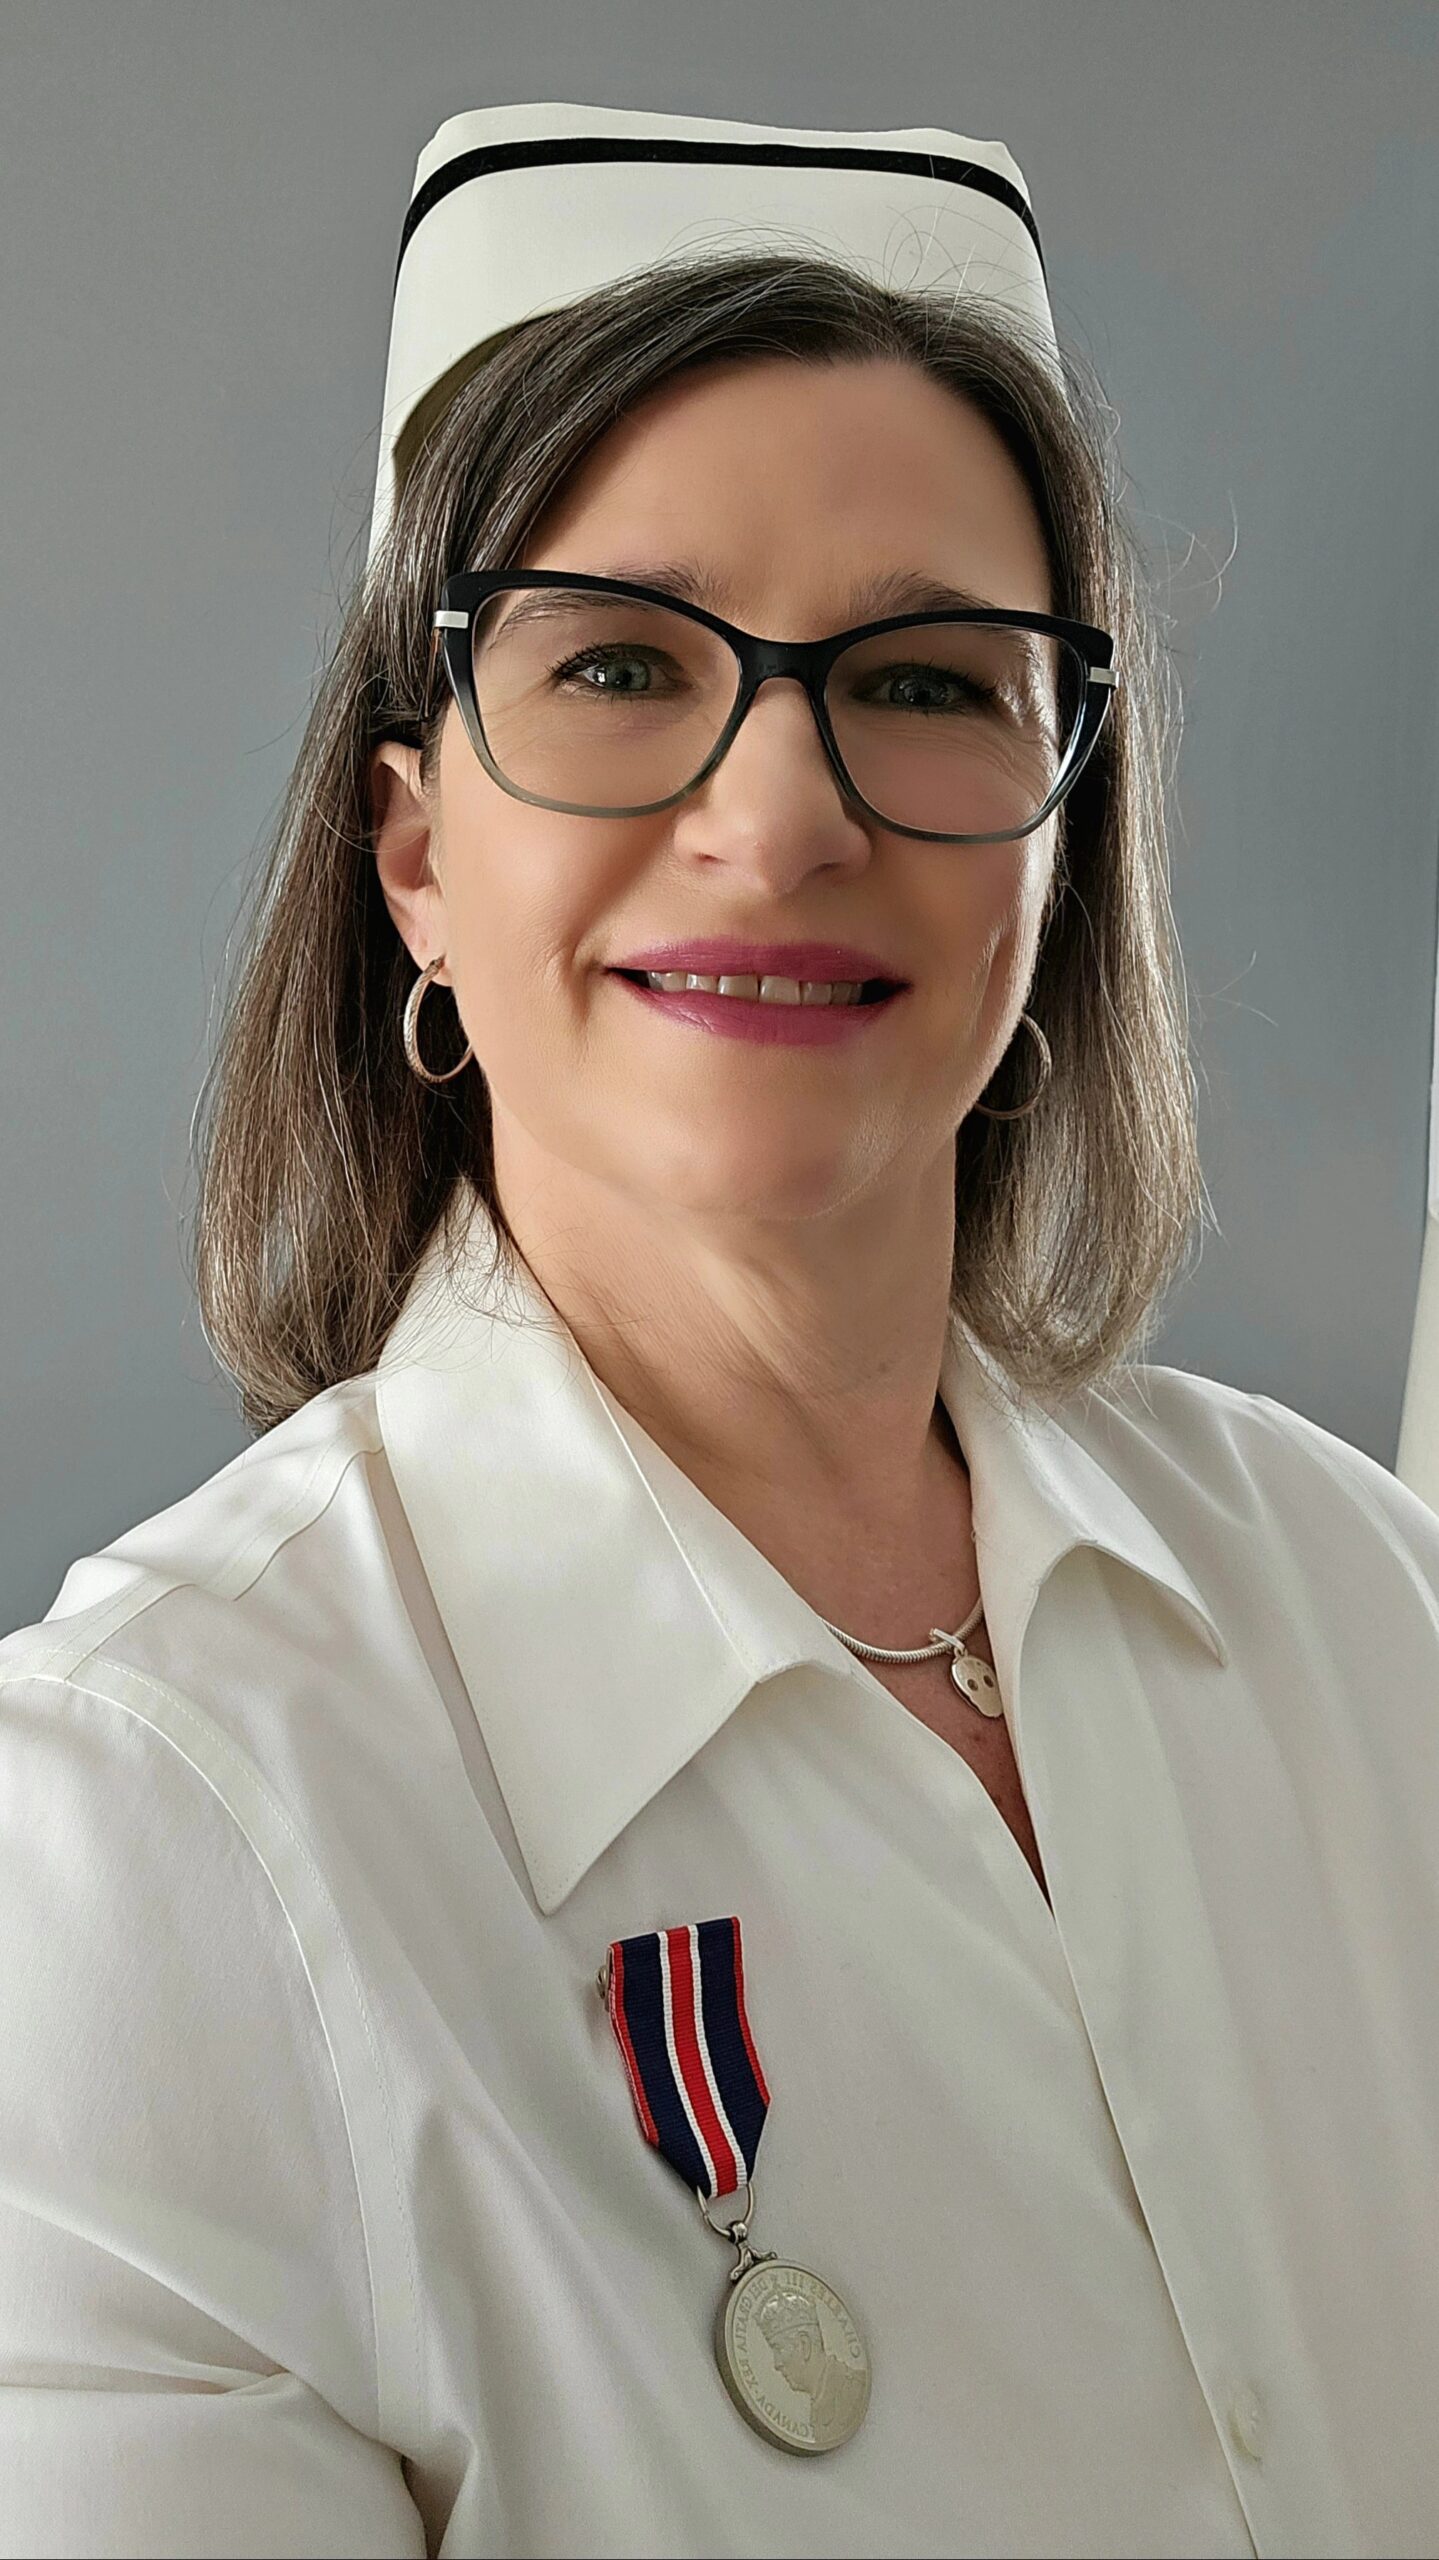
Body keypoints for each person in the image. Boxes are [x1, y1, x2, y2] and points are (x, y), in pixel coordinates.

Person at [3, 98, 1439, 2560]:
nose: (779, 814)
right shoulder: (132, 1840)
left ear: (1065, 838)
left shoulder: (1366, 1606)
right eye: (620, 661)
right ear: (419, 856)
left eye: (921, 679)